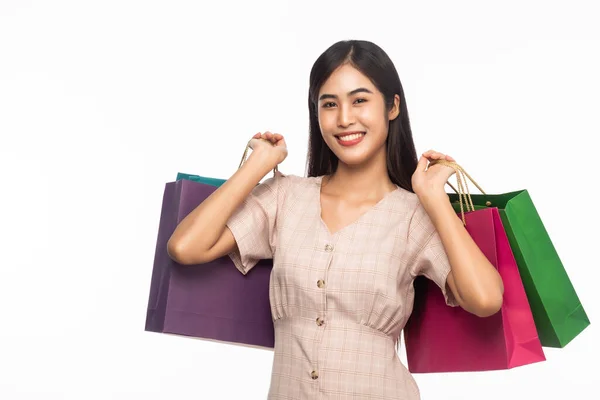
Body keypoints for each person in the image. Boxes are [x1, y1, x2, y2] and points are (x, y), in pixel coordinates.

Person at [167, 39, 505, 399]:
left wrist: (435, 199)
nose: (344, 119)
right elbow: (185, 247)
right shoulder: (286, 198)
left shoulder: (412, 215)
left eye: (360, 100)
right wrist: (258, 166)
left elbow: (485, 300)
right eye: (329, 104)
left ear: (392, 106)